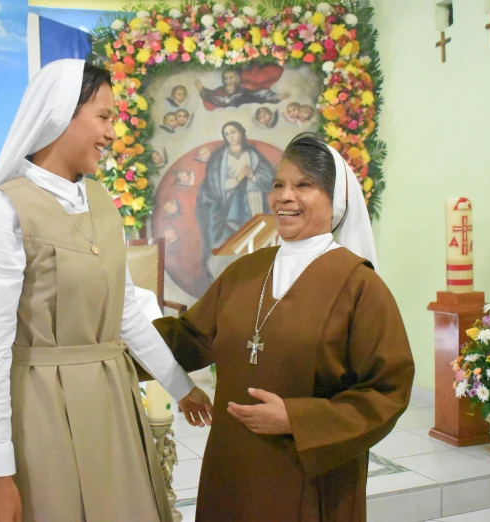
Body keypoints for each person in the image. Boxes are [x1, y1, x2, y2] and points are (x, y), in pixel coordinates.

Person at [0, 59, 212, 522]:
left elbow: (126, 314)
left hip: (113, 399)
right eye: (104, 116)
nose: (112, 133)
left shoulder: (101, 202)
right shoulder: (6, 212)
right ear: (59, 114)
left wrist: (181, 385)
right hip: (42, 408)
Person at [154, 133, 415, 521]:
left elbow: (386, 390)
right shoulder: (246, 271)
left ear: (335, 199)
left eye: (303, 185)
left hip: (309, 472)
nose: (284, 197)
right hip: (233, 465)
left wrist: (297, 418)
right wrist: (112, 337)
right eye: (278, 185)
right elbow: (190, 338)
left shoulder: (360, 285)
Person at [197, 121, 274, 282]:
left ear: (241, 132)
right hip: (226, 208)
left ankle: (253, 282)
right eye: (227, 134)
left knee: (253, 245)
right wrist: (238, 178)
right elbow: (214, 186)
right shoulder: (219, 158)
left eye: (234, 132)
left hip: (253, 204)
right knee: (229, 245)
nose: (231, 136)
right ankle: (228, 283)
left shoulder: (253, 154)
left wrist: (252, 176)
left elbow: (268, 180)